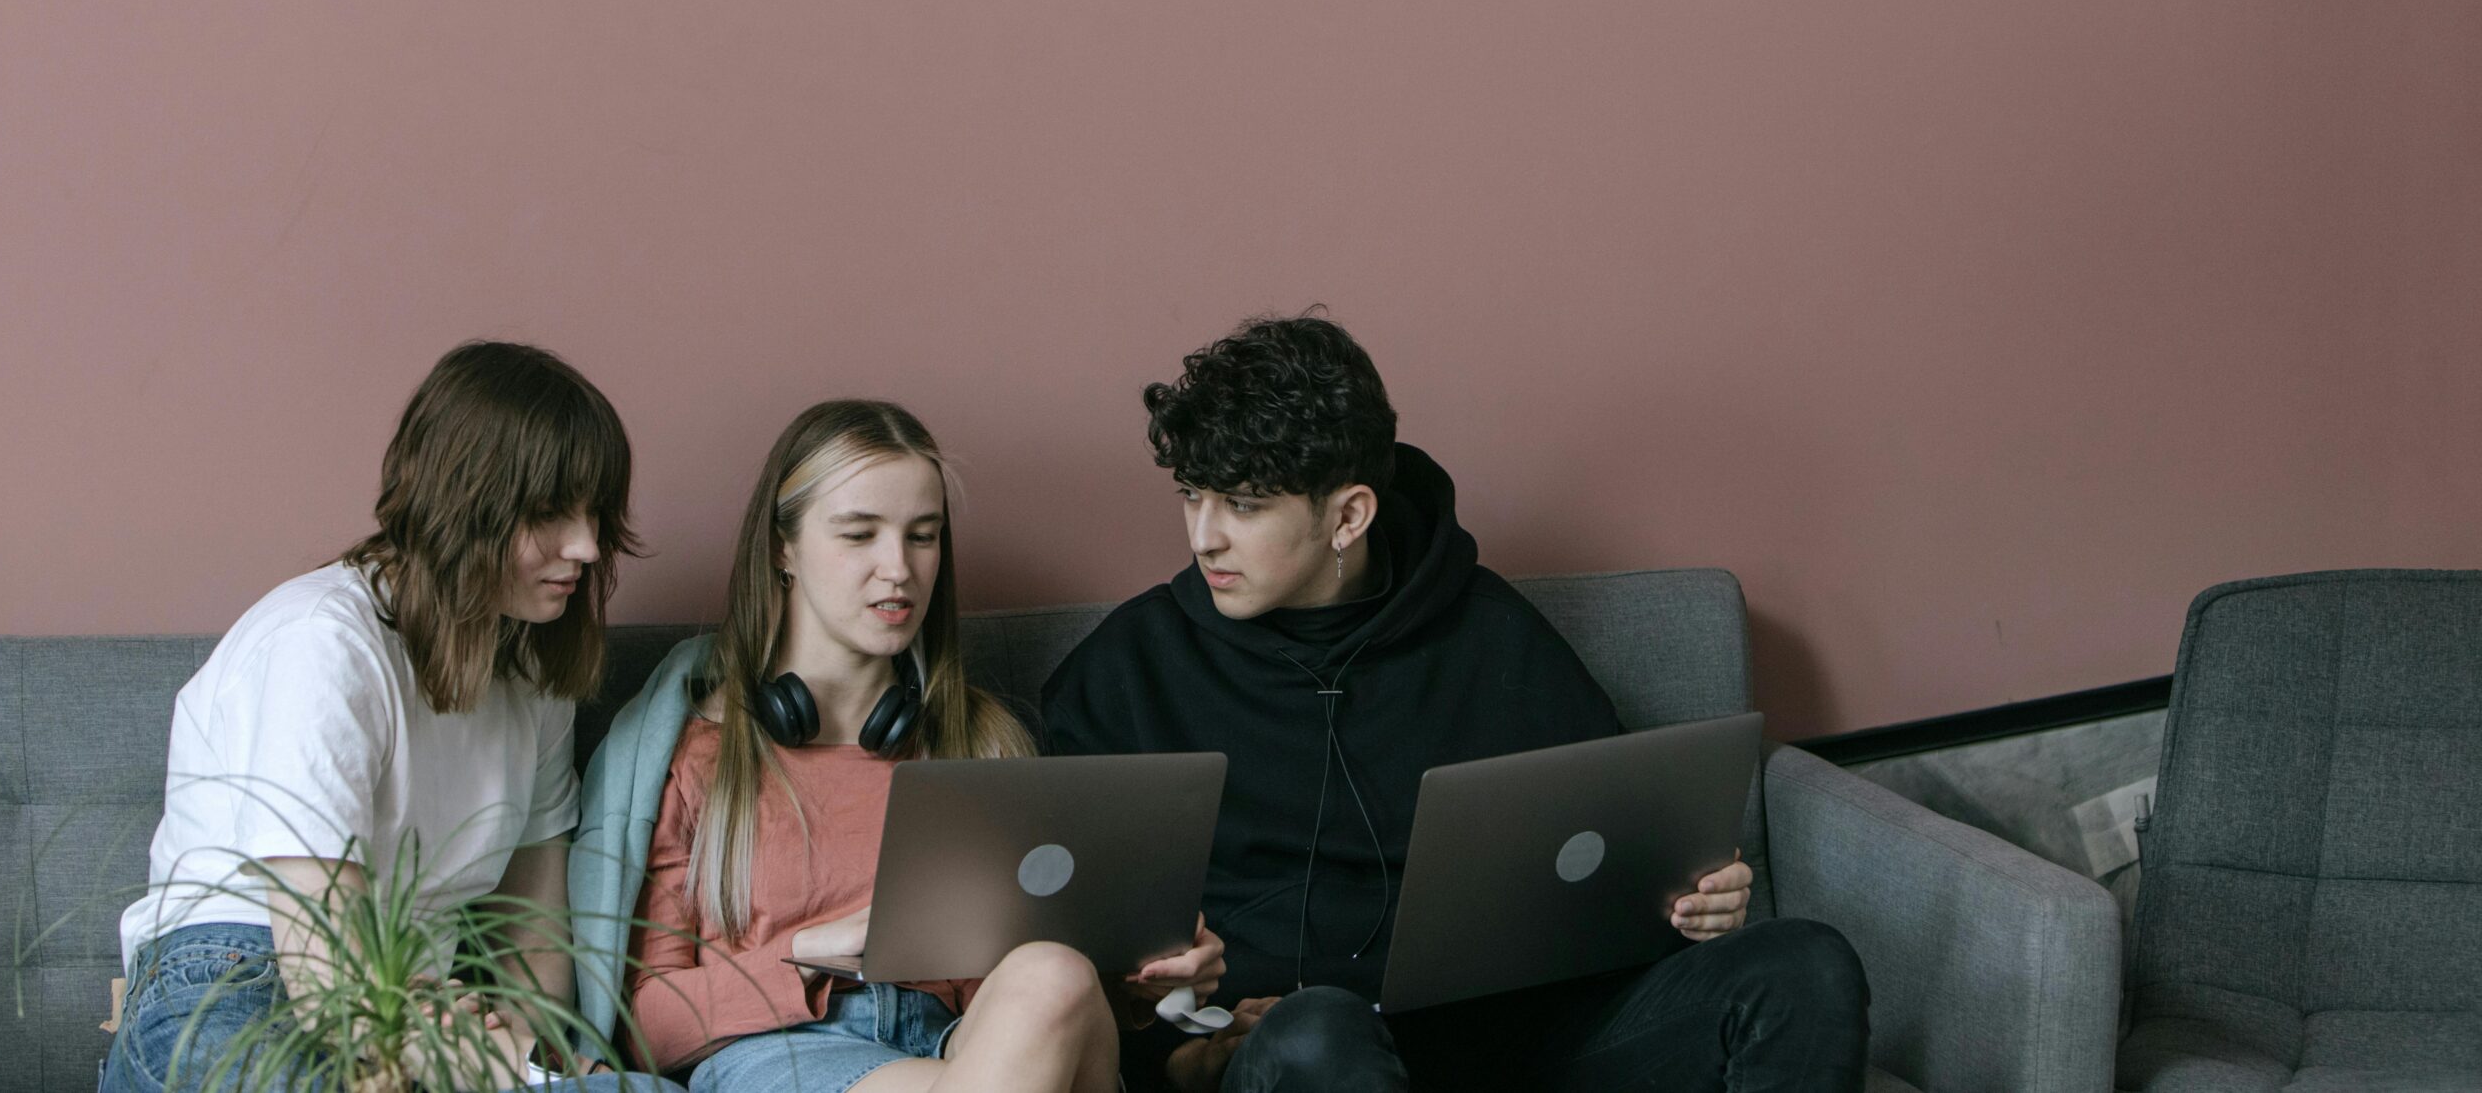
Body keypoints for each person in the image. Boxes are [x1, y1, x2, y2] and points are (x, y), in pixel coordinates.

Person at [1040, 314, 1871, 1093]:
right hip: (1297, 1052)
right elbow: (1070, 969)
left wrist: (1690, 900)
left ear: (1350, 515)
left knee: (1805, 963)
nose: (1203, 535)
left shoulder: (1491, 633)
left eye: (1244, 504)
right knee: (1317, 1032)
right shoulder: (1124, 673)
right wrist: (1182, 1043)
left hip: (1513, 1039)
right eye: (1192, 494)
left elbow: (1616, 868)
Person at [575, 399, 1225, 1093]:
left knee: (1054, 973)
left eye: (923, 535)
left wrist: (1149, 972)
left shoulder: (983, 741)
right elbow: (640, 1024)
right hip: (783, 1053)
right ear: (781, 547)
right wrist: (802, 953)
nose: (899, 568)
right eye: (860, 534)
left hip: (968, 1038)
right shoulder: (695, 753)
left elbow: (1058, 984)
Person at [105, 340, 671, 1093]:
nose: (588, 546)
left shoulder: (535, 671)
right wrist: (452, 1057)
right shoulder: (323, 642)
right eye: (548, 513)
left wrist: (546, 1060)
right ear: (463, 503)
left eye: (595, 512)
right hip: (243, 979)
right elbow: (323, 963)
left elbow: (530, 935)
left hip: (420, 1005)